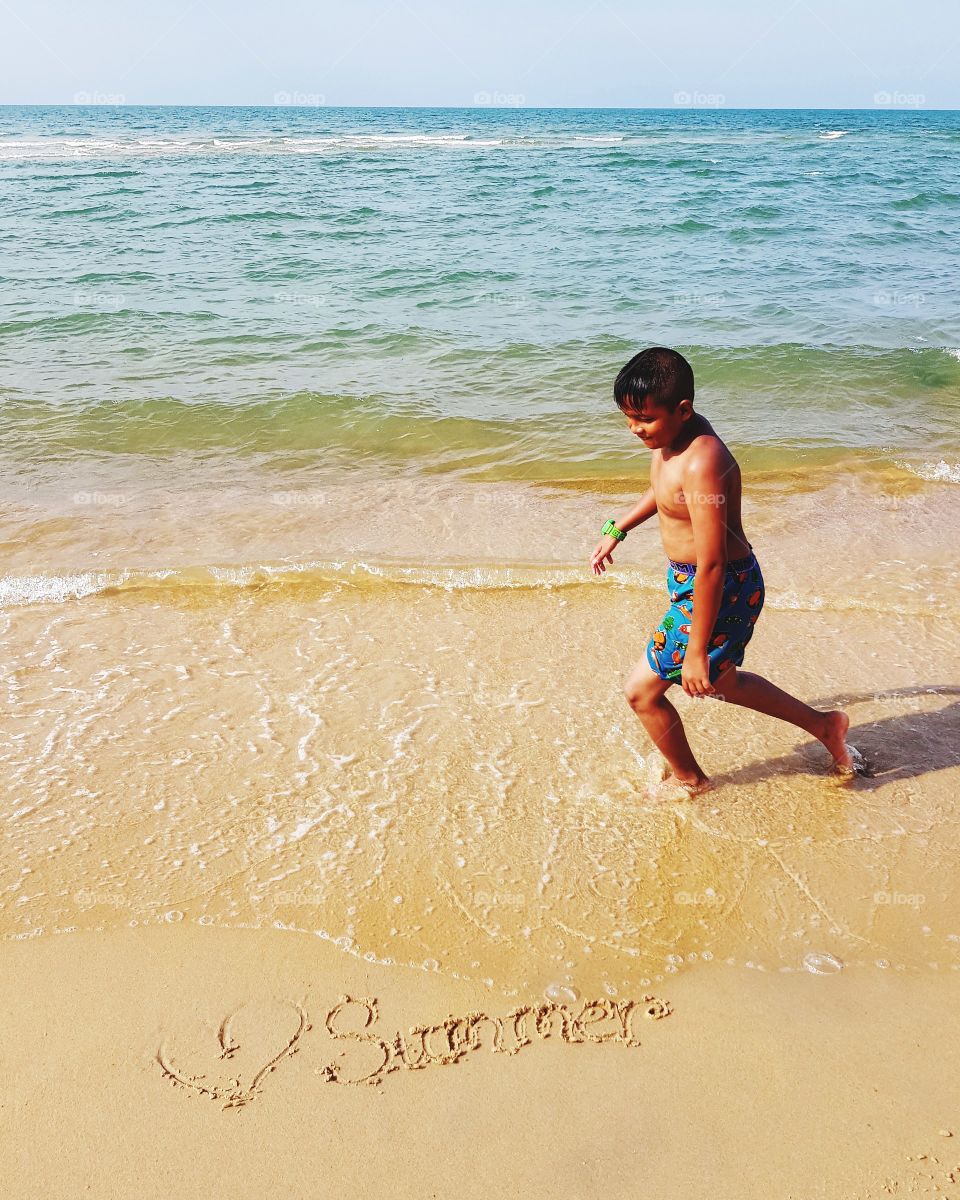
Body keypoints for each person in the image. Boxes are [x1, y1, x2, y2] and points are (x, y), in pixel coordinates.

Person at [590, 346, 854, 796]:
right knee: (723, 680)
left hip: (718, 584)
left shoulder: (704, 460)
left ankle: (693, 782)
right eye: (628, 418)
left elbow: (711, 563)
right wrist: (620, 526)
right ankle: (826, 726)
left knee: (642, 692)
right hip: (697, 580)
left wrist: (695, 651)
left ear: (683, 409)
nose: (636, 430)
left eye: (645, 419)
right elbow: (665, 490)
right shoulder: (672, 438)